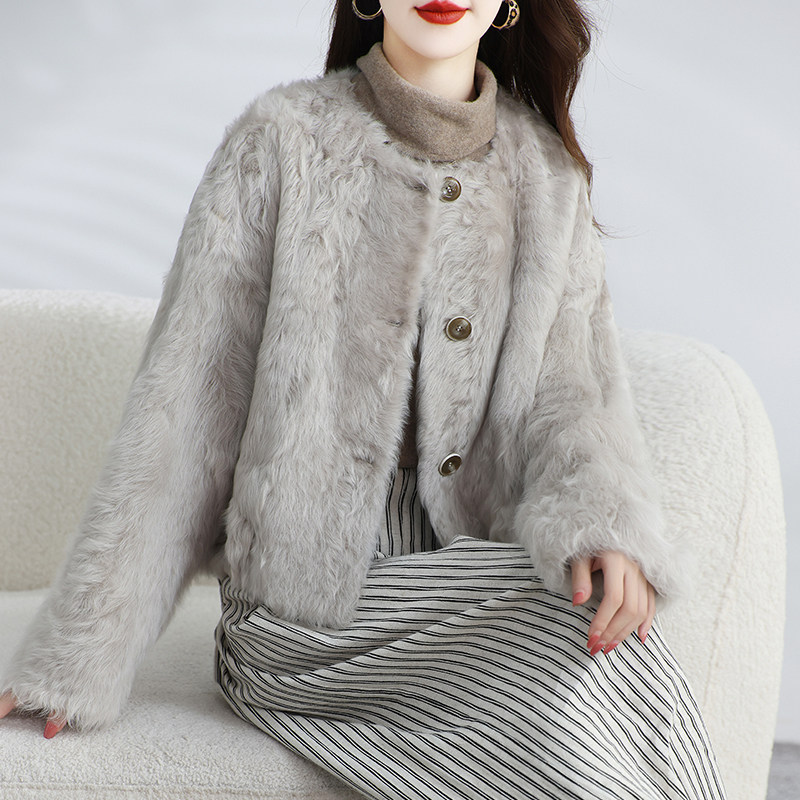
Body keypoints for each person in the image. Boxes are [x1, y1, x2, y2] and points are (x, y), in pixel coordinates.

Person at [1, 1, 727, 797]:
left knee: (617, 639)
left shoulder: (548, 177)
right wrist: (75, 660)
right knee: (561, 628)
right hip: (297, 609)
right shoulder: (282, 141)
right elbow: (185, 412)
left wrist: (606, 528)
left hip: (459, 581)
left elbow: (572, 401)